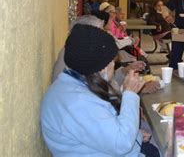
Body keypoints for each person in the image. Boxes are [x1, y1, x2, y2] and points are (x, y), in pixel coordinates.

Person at [40, 24, 159, 156]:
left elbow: (101, 129)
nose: (113, 66)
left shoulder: (73, 84)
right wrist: (129, 95)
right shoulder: (77, 102)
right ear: (100, 67)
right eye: (112, 61)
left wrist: (136, 134)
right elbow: (122, 143)